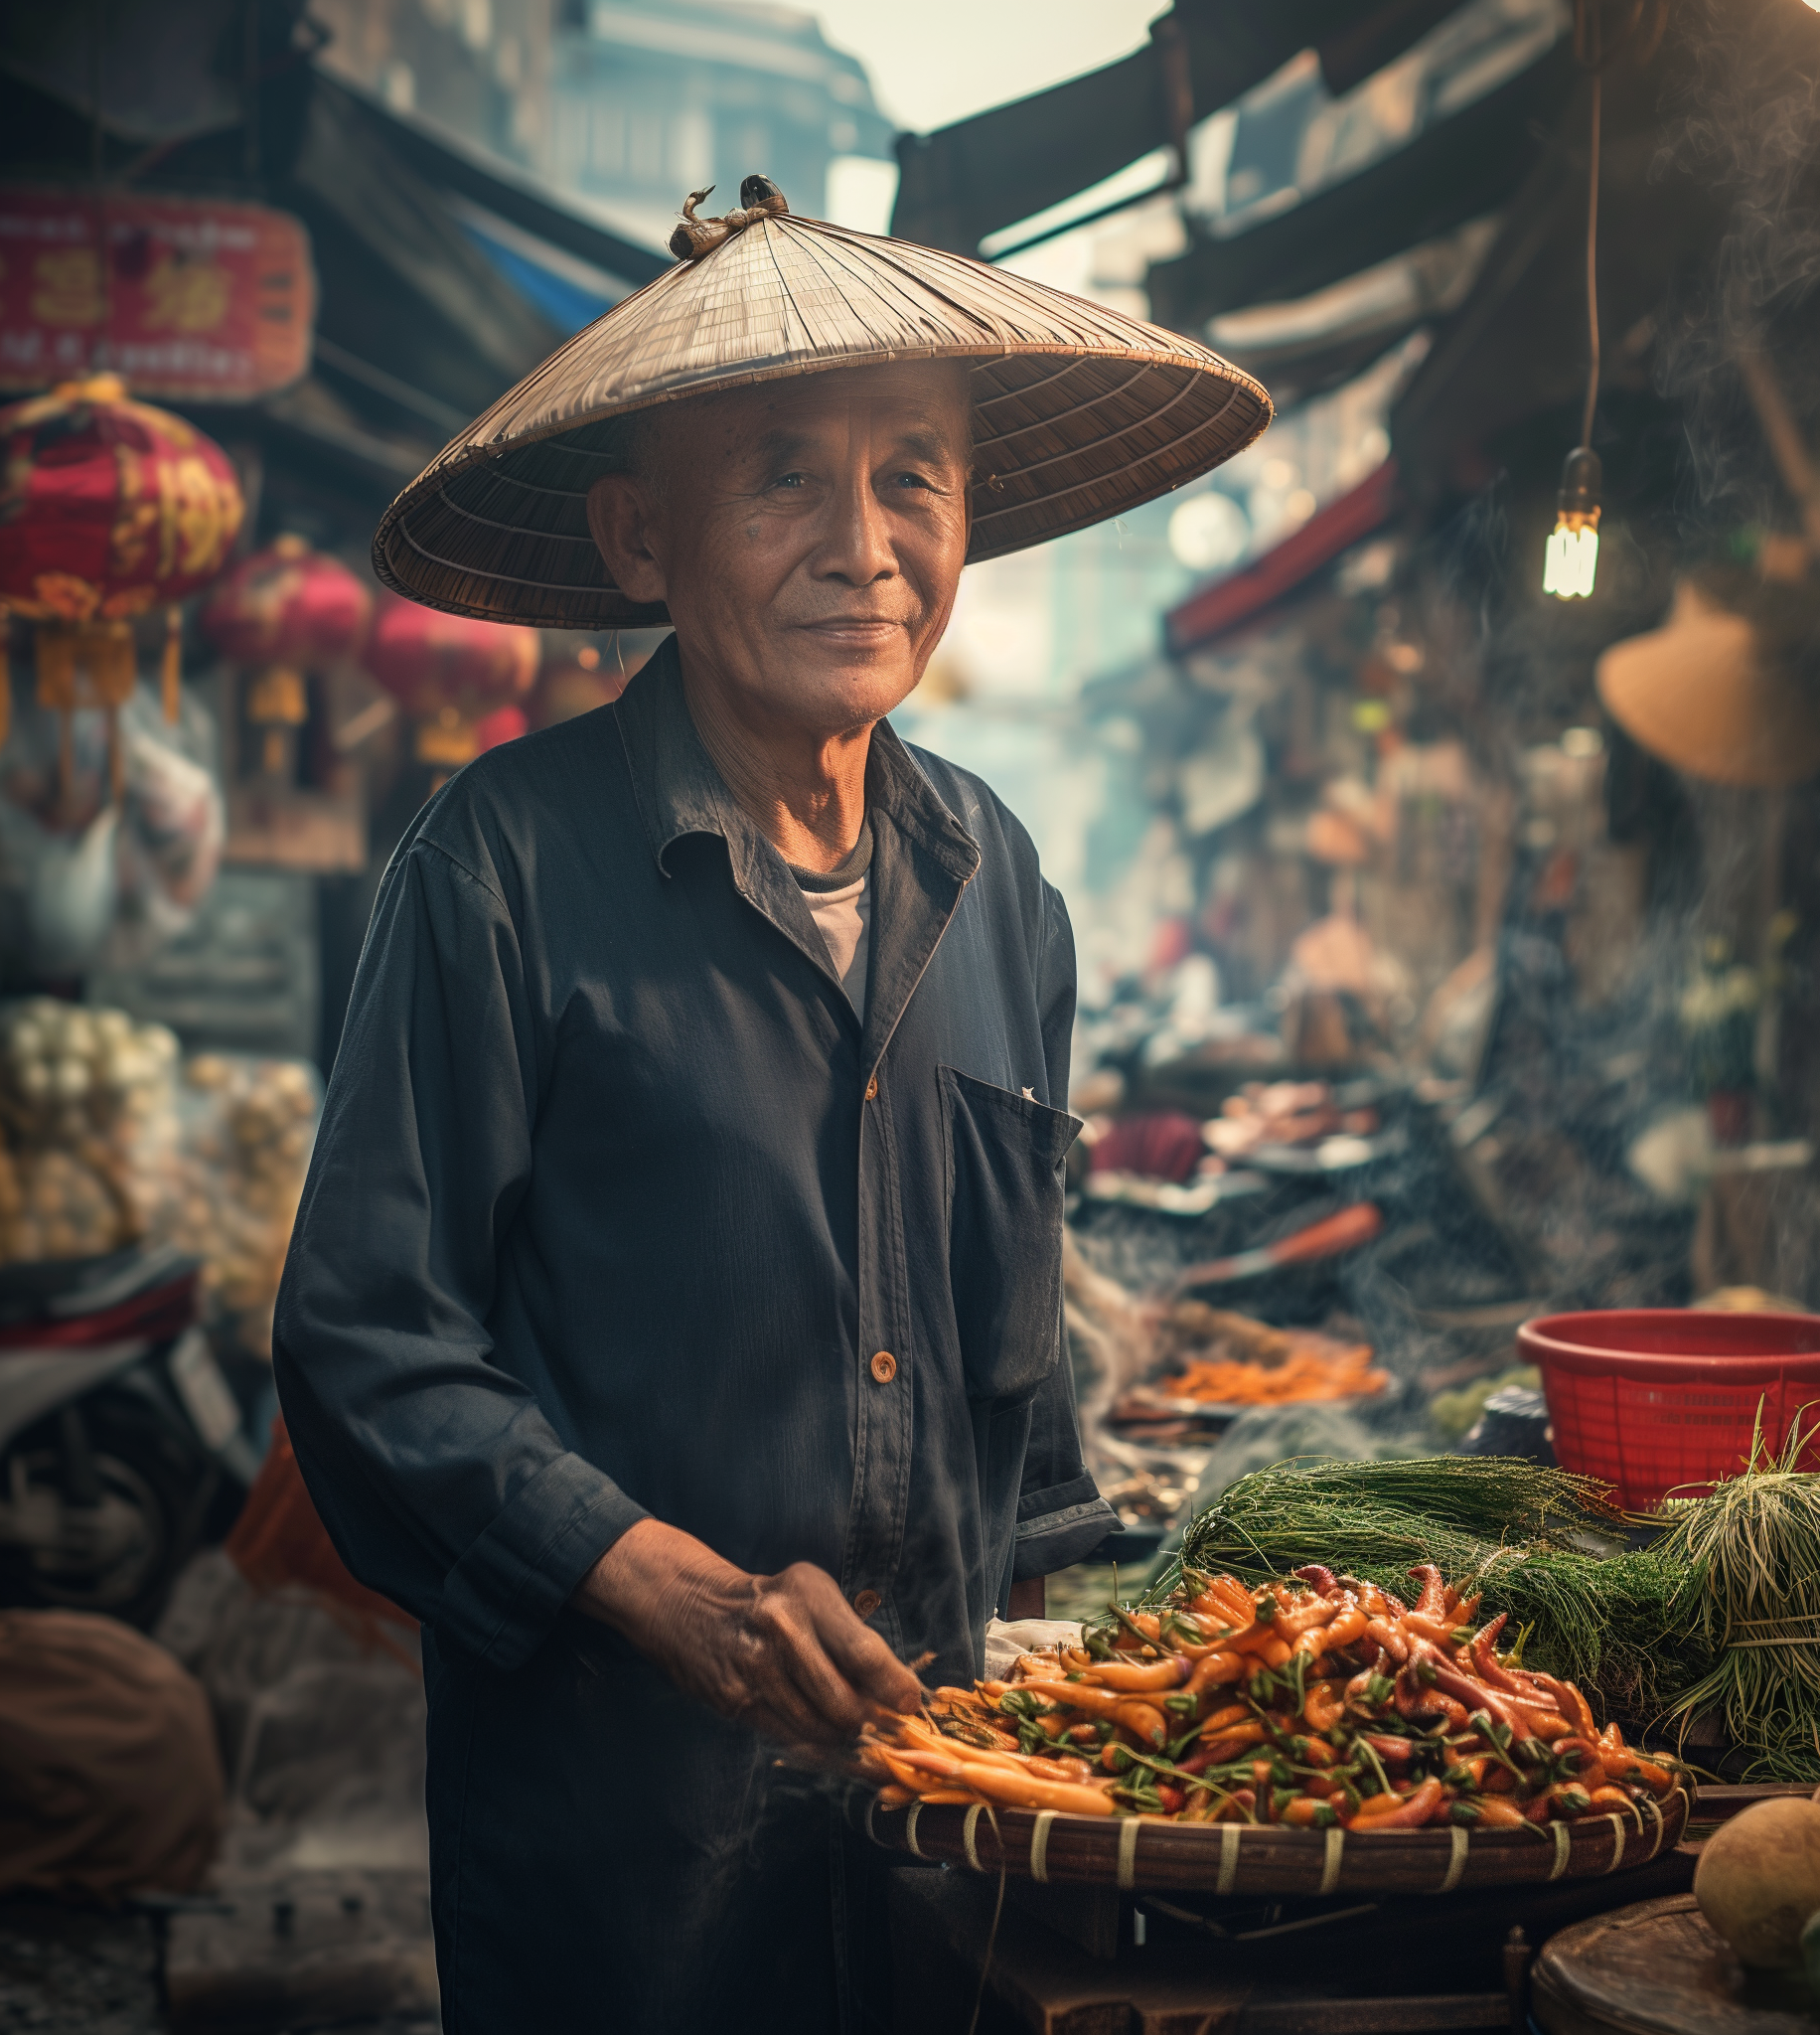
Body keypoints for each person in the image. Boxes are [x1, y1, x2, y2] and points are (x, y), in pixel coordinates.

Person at [273, 178, 1268, 2033]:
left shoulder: (1001, 877)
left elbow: (1016, 1349)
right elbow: (366, 1340)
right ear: (643, 537)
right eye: (783, 477)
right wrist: (666, 1590)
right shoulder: (499, 865)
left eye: (915, 476)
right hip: (625, 1851)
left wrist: (1073, 1683)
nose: (865, 545)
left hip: (949, 1833)